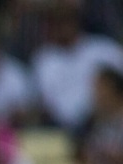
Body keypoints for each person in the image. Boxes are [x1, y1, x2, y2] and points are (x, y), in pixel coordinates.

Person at [32, 4, 123, 133]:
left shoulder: (104, 49)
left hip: (103, 123)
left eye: (65, 22)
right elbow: (44, 102)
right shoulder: (44, 59)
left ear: (75, 22)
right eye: (56, 23)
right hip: (60, 127)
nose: (61, 28)